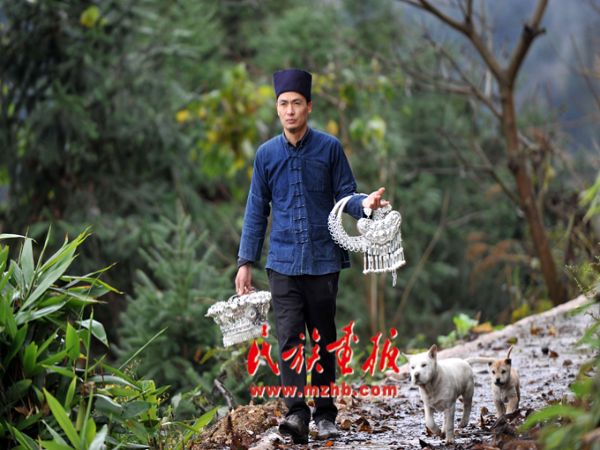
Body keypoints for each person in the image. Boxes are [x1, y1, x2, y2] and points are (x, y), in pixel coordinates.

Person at [235, 68, 389, 444]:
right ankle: (296, 414)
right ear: (277, 108)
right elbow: (256, 210)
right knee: (289, 339)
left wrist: (365, 205)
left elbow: (346, 194)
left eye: (296, 103)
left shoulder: (329, 148)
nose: (290, 110)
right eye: (283, 104)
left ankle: (324, 414)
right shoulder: (266, 155)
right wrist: (245, 261)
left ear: (309, 107)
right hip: (282, 263)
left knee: (322, 339)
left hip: (323, 260)